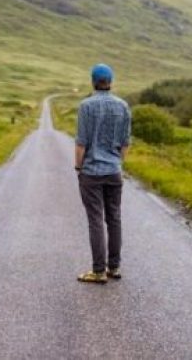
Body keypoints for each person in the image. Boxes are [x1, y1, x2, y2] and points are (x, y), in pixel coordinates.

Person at [74, 63, 132, 284]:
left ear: (93, 81)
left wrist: (78, 167)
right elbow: (125, 143)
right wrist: (117, 162)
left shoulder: (86, 106)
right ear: (111, 81)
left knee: (96, 220)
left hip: (91, 172)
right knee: (114, 218)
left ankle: (98, 271)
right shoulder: (123, 106)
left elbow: (81, 143)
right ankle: (114, 267)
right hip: (114, 170)